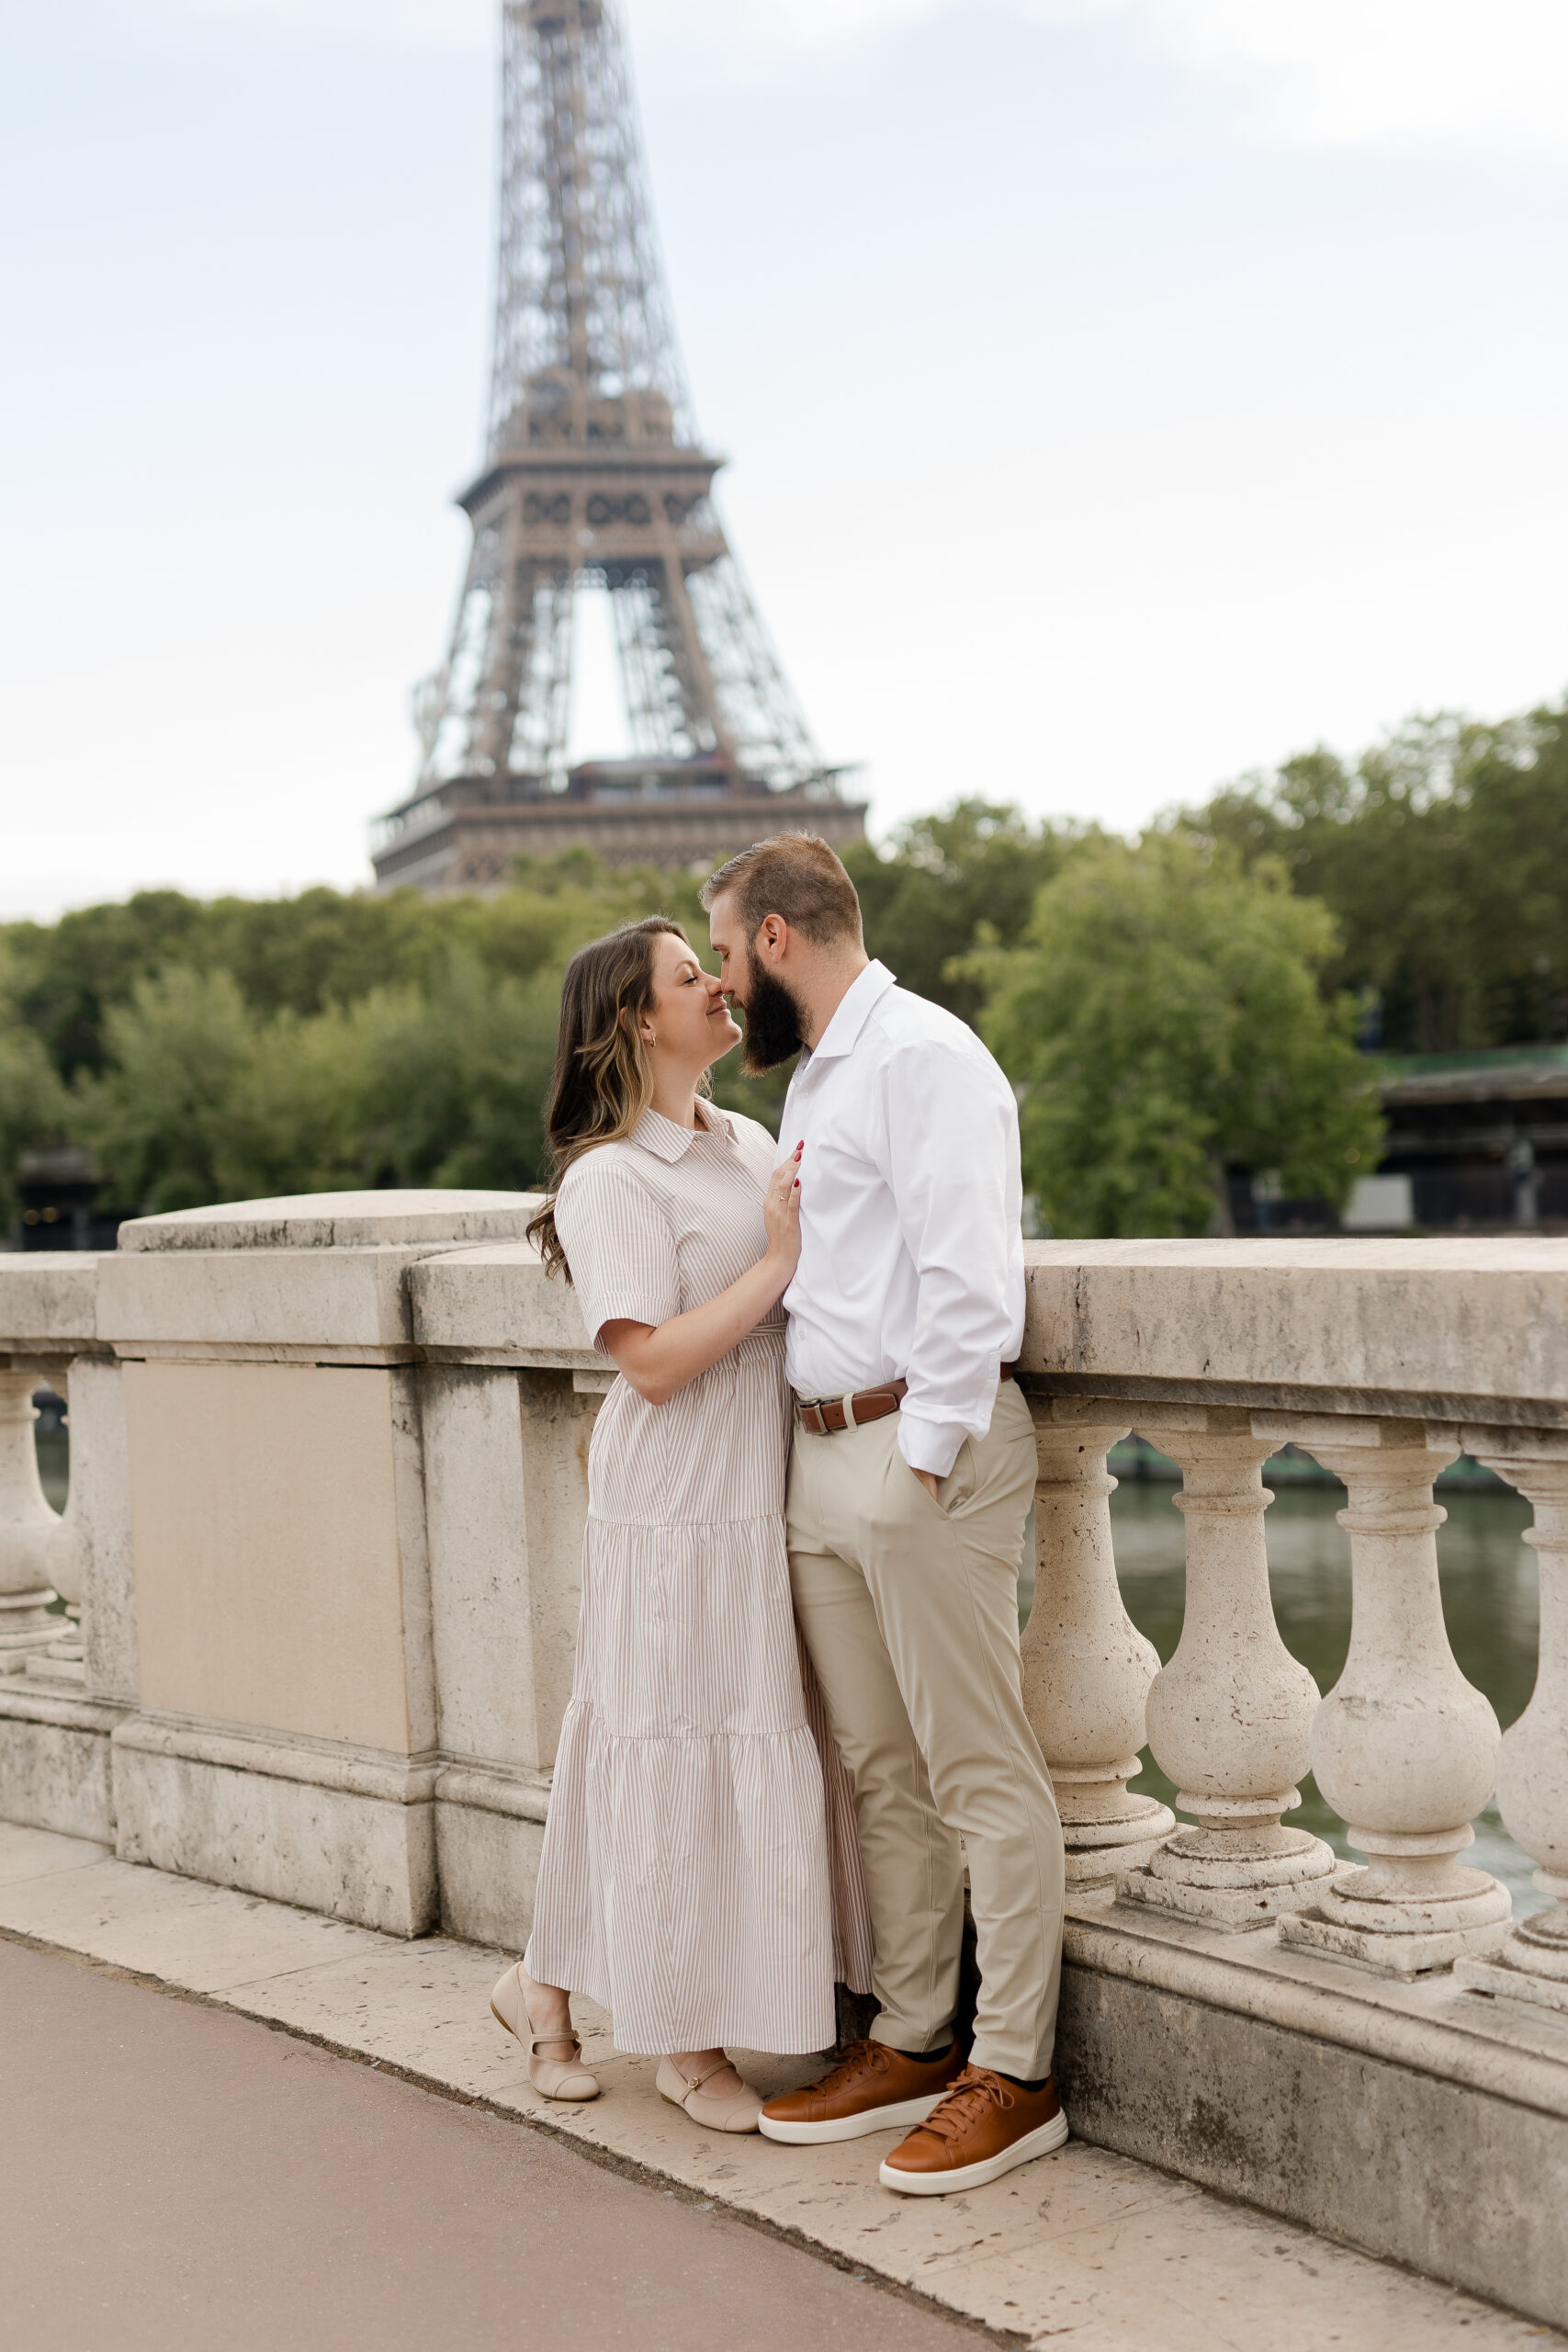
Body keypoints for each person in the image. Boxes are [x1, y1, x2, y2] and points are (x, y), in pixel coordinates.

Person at [704, 834, 1067, 2197]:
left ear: (780, 937)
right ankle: (917, 2036)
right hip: (820, 1458)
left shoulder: (925, 1058)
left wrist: (918, 1465)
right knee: (882, 1770)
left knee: (979, 1770)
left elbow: (975, 1272)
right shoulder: (816, 1077)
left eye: (730, 954)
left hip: (921, 1453)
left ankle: (1016, 2069)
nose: (728, 985)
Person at [490, 916, 870, 2133]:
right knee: (662, 1748)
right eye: (688, 975)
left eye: (711, 968)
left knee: (679, 1738)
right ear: (637, 1021)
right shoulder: (610, 1177)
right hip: (669, 1505)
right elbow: (650, 1363)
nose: (718, 985)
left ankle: (540, 1991)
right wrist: (777, 1264)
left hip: (755, 1493)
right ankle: (684, 2039)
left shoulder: (746, 1138)